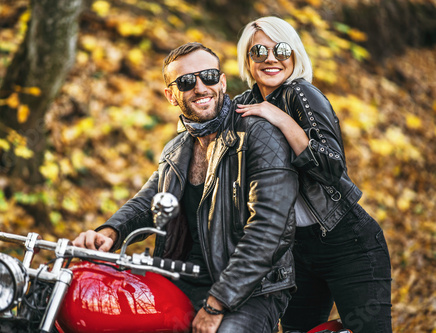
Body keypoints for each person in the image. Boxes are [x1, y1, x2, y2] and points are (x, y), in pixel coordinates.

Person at [73, 42, 299, 333]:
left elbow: (270, 228)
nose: (200, 87)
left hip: (252, 289)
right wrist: (109, 232)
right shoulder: (177, 148)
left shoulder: (258, 134)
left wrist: (218, 302)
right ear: (171, 95)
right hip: (181, 278)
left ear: (222, 81)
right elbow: (150, 200)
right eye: (186, 81)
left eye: (208, 76)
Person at [234, 16, 392, 333]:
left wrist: (281, 119)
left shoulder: (302, 94)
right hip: (293, 252)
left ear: (294, 53)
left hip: (348, 243)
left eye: (280, 48)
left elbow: (332, 168)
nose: (271, 58)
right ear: (247, 60)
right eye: (258, 52)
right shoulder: (243, 106)